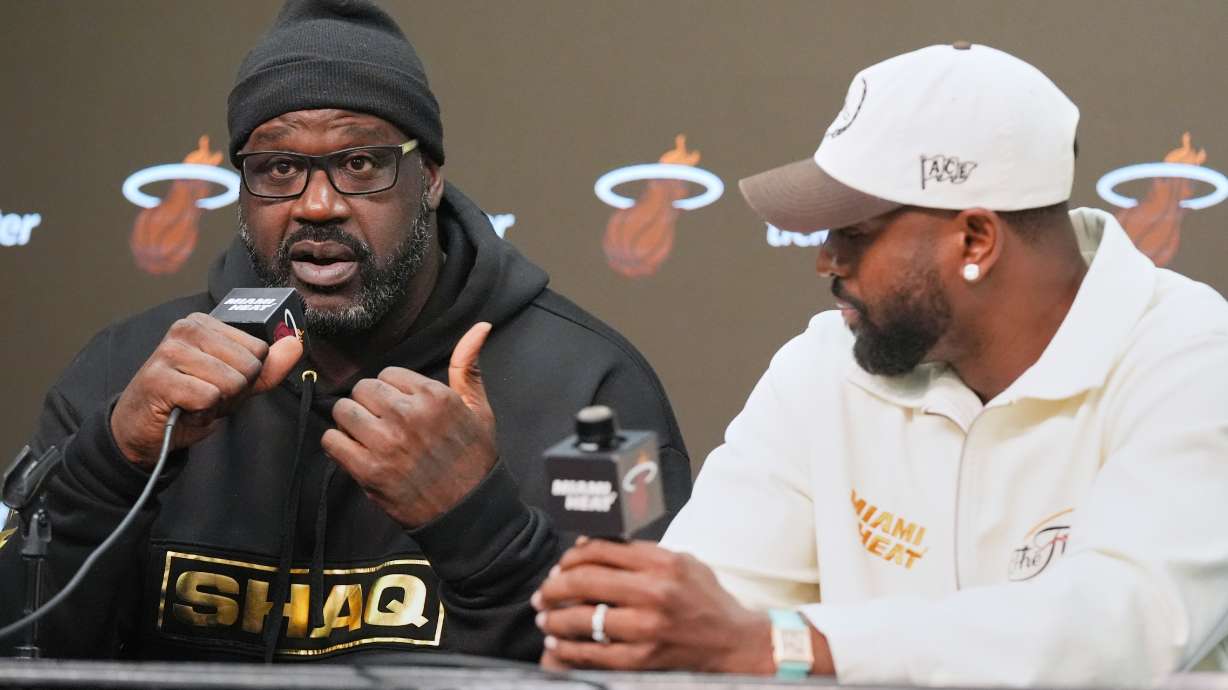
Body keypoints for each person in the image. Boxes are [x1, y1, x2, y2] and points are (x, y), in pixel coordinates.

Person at [0, 0, 690, 662]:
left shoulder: (585, 389)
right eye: (278, 168)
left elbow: (643, 667)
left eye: (361, 163)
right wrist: (108, 467)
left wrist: (478, 526)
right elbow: (24, 645)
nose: (318, 204)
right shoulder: (131, 373)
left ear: (430, 177)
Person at [532, 43, 1228, 685]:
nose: (825, 260)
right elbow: (714, 606)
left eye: (855, 234)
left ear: (976, 238)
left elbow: (1123, 624)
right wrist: (647, 626)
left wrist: (788, 646)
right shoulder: (821, 364)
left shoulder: (1193, 358)